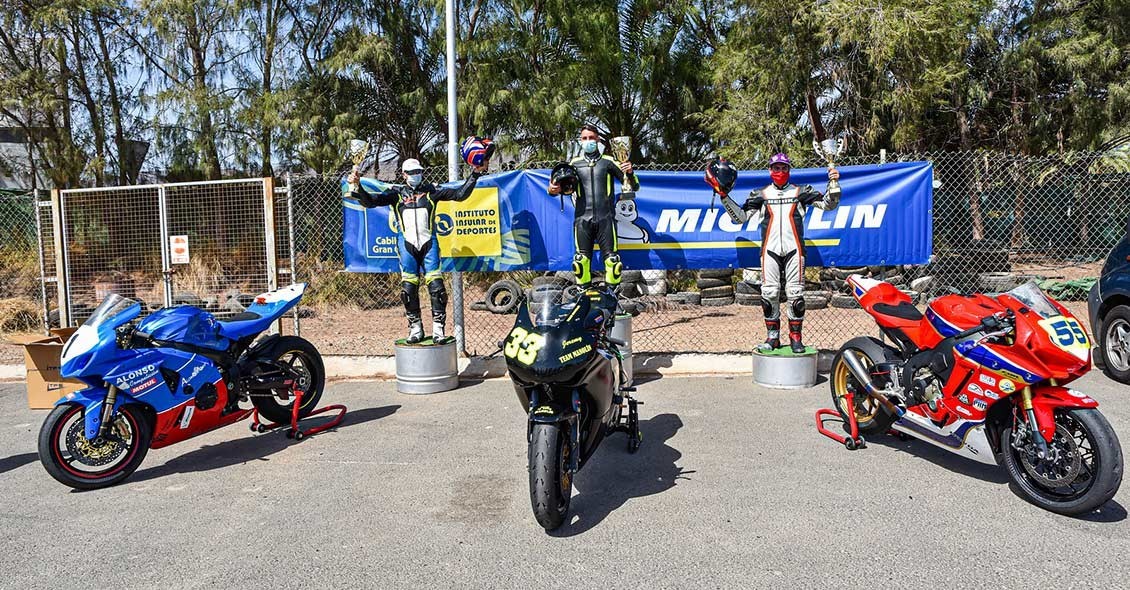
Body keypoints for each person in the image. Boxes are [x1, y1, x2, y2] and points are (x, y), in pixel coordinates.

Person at [348, 158, 486, 343]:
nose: (416, 175)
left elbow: (460, 194)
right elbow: (371, 202)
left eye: (418, 171)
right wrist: (358, 187)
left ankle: (438, 329)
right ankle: (415, 328)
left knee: (437, 287)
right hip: (407, 245)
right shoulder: (396, 193)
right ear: (404, 175)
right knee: (408, 289)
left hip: (430, 242)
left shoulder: (431, 190)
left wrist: (475, 173)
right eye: (411, 173)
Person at [740, 153, 841, 353]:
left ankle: (796, 338)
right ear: (770, 170)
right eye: (776, 168)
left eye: (784, 168)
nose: (780, 172)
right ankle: (772, 338)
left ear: (789, 170)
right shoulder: (760, 194)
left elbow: (830, 204)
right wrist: (724, 196)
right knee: (769, 293)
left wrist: (834, 183)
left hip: (795, 249)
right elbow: (740, 217)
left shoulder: (800, 191)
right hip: (769, 250)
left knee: (795, 294)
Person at [548, 124, 639, 289]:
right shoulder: (573, 164)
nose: (588, 141)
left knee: (613, 262)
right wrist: (553, 189)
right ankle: (584, 300)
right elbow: (555, 190)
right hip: (582, 219)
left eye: (591, 138)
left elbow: (633, 186)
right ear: (580, 141)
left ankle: (612, 302)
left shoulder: (609, 161)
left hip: (607, 219)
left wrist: (630, 172)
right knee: (580, 262)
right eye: (584, 138)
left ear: (597, 139)